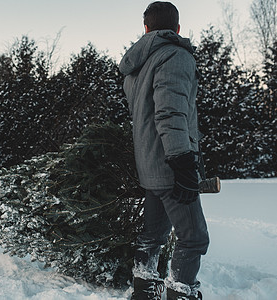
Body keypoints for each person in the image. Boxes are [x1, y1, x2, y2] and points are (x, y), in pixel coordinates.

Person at [119, 2, 209, 299]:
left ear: (145, 29)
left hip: (149, 165)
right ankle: (181, 293)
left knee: (153, 235)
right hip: (171, 163)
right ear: (177, 28)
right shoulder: (175, 55)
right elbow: (169, 113)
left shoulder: (138, 64)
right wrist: (182, 161)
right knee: (193, 237)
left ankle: (144, 289)